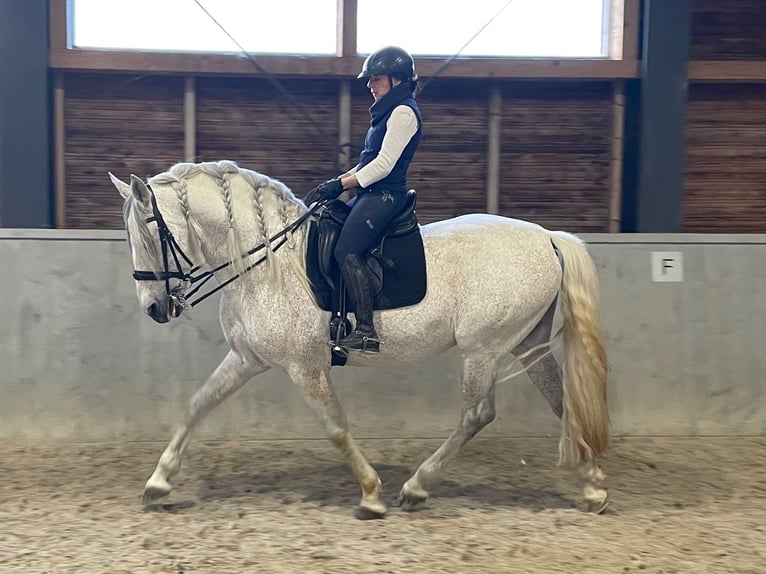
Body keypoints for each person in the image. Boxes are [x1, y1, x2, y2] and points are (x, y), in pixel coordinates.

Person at [306, 46, 423, 353]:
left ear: (397, 79)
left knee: (346, 249)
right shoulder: (386, 113)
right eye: (369, 79)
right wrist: (334, 184)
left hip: (386, 195)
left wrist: (341, 184)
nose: (370, 85)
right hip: (369, 192)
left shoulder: (403, 113)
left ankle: (367, 330)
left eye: (376, 79)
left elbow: (383, 166)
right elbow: (366, 163)